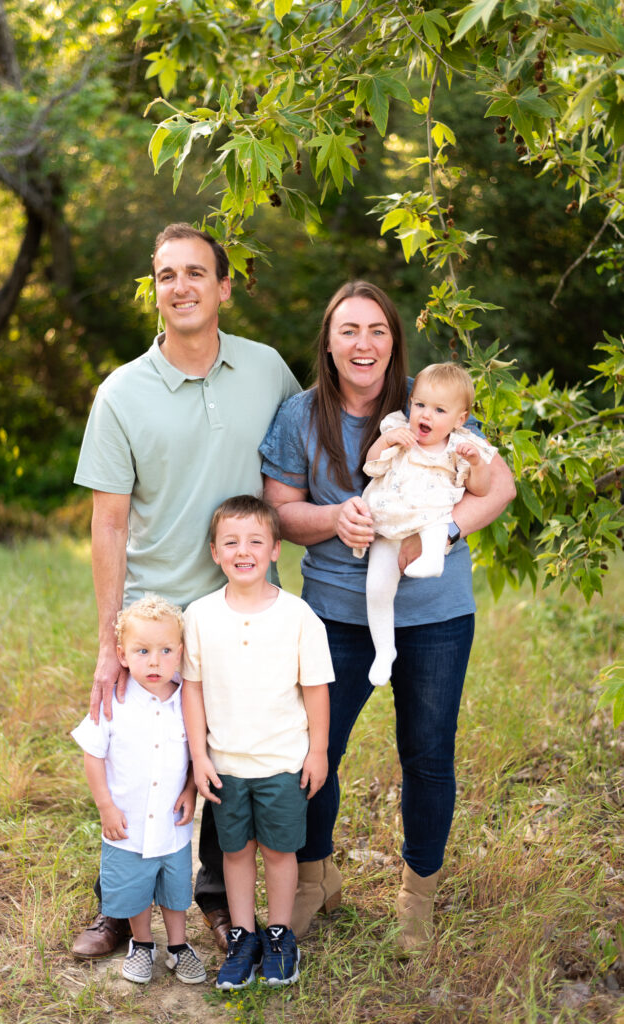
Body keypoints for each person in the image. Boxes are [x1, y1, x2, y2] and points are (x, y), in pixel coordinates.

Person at [260, 281, 515, 951]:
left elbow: (501, 484)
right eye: (349, 330)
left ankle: (416, 897)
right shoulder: (299, 416)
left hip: (435, 616)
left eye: (377, 330)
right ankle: (316, 880)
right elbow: (280, 511)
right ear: (329, 342)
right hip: (333, 614)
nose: (363, 343)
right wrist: (331, 517)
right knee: (311, 752)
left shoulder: (428, 404)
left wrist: (436, 538)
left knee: (428, 757)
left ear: (394, 342)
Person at [71, 223, 300, 959]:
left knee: (224, 759)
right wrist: (112, 643)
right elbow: (107, 526)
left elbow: (305, 455)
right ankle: (119, 903)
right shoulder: (121, 393)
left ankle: (204, 895)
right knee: (144, 761)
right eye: (167, 275)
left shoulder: (267, 370)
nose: (183, 286)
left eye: (197, 273)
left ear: (224, 287)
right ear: (155, 291)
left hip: (241, 608)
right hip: (158, 620)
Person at [181, 496, 333, 989]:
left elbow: (315, 688)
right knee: (235, 853)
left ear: (274, 550)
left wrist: (318, 751)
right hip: (226, 764)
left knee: (280, 852)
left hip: (283, 762)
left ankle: (280, 934)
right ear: (214, 552)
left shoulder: (298, 616)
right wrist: (199, 755)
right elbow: (194, 689)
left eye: (254, 541)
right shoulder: (199, 616)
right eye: (231, 542)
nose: (242, 550)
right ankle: (243, 937)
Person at [71, 595, 206, 986]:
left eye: (166, 651)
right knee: (134, 889)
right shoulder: (114, 700)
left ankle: (179, 948)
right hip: (126, 823)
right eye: (142, 651)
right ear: (122, 654)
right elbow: (93, 754)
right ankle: (142, 944)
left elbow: (198, 750)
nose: (154, 661)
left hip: (171, 825)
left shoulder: (187, 699)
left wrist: (191, 789)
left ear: (180, 653)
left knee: (175, 889)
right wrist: (105, 807)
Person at [355, 362, 497, 686]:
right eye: (419, 404)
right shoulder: (398, 430)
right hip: (388, 528)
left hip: (429, 523)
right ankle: (384, 650)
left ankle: (432, 560)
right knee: (376, 588)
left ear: (460, 419)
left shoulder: (461, 446)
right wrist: (389, 440)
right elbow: (370, 466)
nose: (425, 415)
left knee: (438, 521)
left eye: (438, 409)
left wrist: (475, 463)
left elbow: (481, 489)